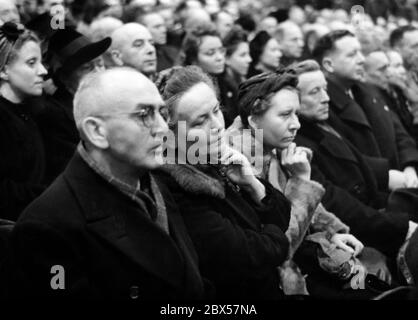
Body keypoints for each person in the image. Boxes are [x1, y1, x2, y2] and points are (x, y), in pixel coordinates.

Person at [1, 67, 208, 300]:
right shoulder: (48, 227)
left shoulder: (154, 185)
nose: (161, 128)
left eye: (162, 113)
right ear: (96, 131)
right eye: (144, 115)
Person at [227, 70, 380, 298]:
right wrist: (301, 182)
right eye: (285, 115)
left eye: (296, 114)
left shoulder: (272, 148)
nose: (296, 124)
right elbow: (281, 246)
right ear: (253, 120)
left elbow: (306, 216)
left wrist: (331, 233)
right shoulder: (240, 169)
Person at [157, 65, 291, 299]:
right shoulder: (174, 186)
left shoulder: (217, 158)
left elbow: (282, 216)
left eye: (216, 110)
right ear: (170, 133)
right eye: (200, 122)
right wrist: (272, 235)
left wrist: (252, 184)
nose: (218, 126)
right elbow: (253, 255)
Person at [291, 60, 418, 279]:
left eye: (325, 89)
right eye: (315, 92)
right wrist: (401, 227)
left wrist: (389, 175)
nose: (326, 97)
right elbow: (336, 201)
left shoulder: (323, 121)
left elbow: (356, 163)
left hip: (373, 210)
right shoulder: (299, 147)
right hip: (358, 231)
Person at [312, 30, 418, 190]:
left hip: (404, 181)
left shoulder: (369, 90)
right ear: (328, 65)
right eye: (352, 54)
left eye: (360, 52)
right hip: (372, 192)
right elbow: (343, 160)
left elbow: (399, 134)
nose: (361, 59)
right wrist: (385, 176)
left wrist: (410, 167)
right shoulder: (322, 104)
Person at [37, 27, 110, 183]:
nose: (99, 72)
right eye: (88, 67)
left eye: (100, 64)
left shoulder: (112, 101)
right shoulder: (55, 115)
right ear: (64, 77)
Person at [0, 22, 47, 220]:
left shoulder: (27, 111)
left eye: (41, 61)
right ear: (3, 71)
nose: (43, 70)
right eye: (31, 63)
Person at [220, 25, 251, 127]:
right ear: (227, 59)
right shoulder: (221, 87)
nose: (249, 59)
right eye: (243, 55)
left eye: (248, 54)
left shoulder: (244, 82)